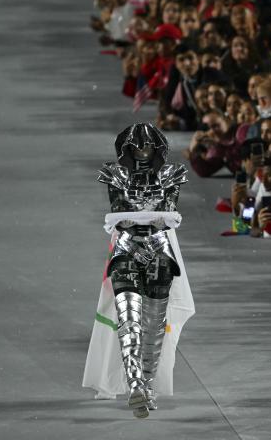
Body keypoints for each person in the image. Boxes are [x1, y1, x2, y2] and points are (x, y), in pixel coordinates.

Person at [84, 124, 194, 417]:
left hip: (159, 250)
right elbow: (121, 212)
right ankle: (135, 385)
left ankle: (145, 384)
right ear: (127, 149)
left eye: (147, 147)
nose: (142, 152)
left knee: (154, 323)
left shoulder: (172, 174)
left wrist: (142, 220)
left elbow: (168, 212)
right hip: (126, 249)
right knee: (128, 318)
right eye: (137, 147)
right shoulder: (116, 174)